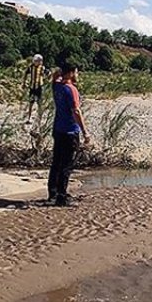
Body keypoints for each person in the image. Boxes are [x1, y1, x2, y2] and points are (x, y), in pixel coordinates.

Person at [48, 62, 88, 206]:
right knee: (66, 165)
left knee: (56, 163)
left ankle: (53, 193)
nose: (77, 75)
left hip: (58, 129)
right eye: (76, 72)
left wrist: (58, 72)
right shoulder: (71, 89)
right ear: (71, 73)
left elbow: (54, 78)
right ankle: (61, 196)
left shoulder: (57, 86)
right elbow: (76, 111)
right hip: (69, 131)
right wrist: (85, 132)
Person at [23, 54, 46, 124]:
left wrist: (45, 79)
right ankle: (29, 118)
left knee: (39, 103)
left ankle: (39, 119)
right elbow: (25, 73)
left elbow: (48, 73)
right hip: (32, 87)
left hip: (39, 87)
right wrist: (24, 83)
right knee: (31, 103)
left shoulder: (42, 68)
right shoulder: (31, 67)